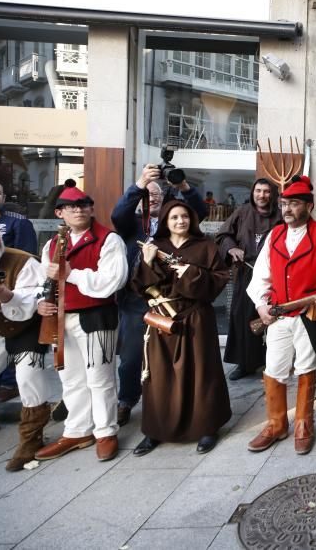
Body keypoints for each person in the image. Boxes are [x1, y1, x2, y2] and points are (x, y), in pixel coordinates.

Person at [245, 175, 316, 455]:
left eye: (294, 204)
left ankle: (303, 422)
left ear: (309, 207)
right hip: (278, 316)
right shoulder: (275, 235)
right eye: (284, 203)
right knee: (273, 368)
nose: (286, 209)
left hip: (309, 316)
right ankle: (276, 424)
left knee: (306, 367)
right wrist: (261, 305)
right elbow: (261, 276)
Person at [35, 185, 128, 463]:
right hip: (62, 318)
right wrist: (42, 301)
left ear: (91, 208)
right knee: (71, 378)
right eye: (72, 206)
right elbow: (45, 281)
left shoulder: (108, 240)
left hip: (96, 316)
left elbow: (112, 282)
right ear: (59, 212)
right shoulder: (52, 245)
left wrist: (71, 274)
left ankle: (105, 431)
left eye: (84, 204)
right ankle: (77, 430)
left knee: (100, 378)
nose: (79, 210)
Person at [131, 200, 232, 456]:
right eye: (174, 217)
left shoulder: (206, 247)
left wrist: (190, 273)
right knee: (159, 376)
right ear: (166, 221)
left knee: (202, 373)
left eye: (184, 216)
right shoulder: (155, 247)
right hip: (162, 319)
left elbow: (220, 280)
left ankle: (207, 427)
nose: (180, 221)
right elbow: (138, 286)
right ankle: (156, 430)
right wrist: (147, 262)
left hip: (196, 317)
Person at [110, 165, 208, 427]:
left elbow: (200, 211)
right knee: (130, 356)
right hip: (135, 300)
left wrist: (183, 186)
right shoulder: (131, 225)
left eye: (157, 195)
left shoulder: (171, 226)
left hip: (169, 300)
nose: (152, 198)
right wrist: (141, 182)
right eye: (147, 195)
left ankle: (170, 404)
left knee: (169, 357)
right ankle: (126, 401)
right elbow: (117, 213)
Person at [0, 210, 52, 471]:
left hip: (25, 328)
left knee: (28, 375)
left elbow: (35, 300)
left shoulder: (23, 261)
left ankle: (31, 438)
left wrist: (7, 296)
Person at [0, 179, 39, 404]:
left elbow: (27, 260)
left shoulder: (18, 222)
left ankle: (8, 383)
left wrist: (8, 293)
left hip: (12, 298)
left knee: (17, 353)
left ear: (3, 198)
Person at [215, 179, 281, 380]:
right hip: (246, 273)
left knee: (272, 319)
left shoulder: (280, 216)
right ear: (253, 193)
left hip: (273, 275)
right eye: (258, 191)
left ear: (272, 194)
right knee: (242, 317)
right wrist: (232, 248)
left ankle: (273, 363)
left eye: (266, 191)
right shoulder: (242, 213)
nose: (262, 195)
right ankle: (245, 364)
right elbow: (223, 236)